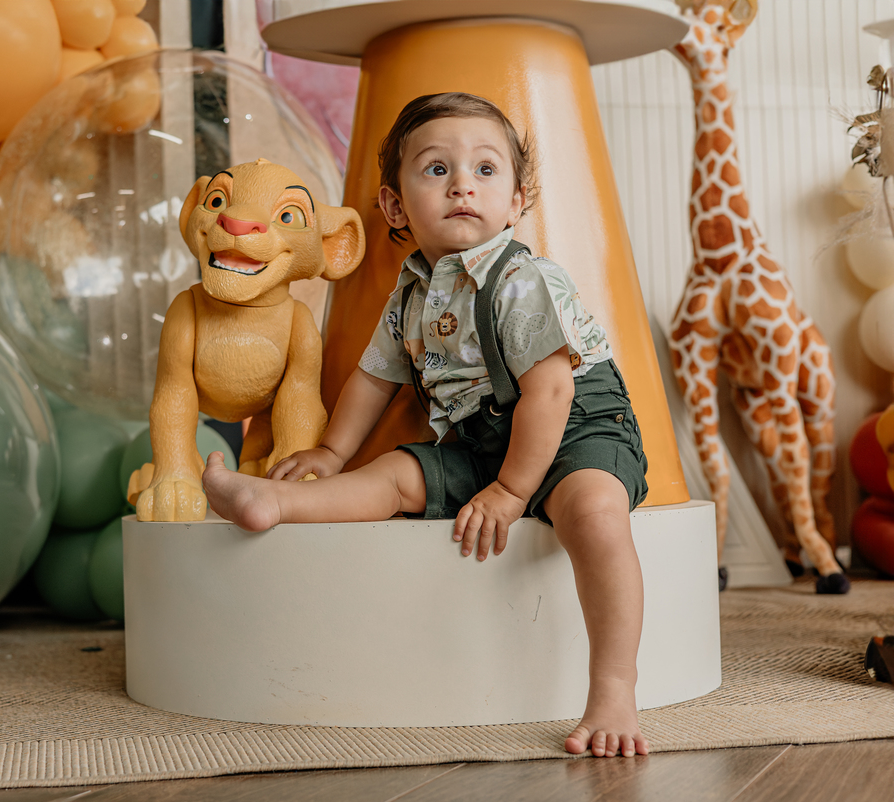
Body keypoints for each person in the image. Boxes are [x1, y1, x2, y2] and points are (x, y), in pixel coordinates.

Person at [202, 92, 650, 758]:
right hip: (481, 440)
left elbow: (552, 389)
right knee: (394, 474)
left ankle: (614, 689)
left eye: (485, 170)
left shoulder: (522, 279)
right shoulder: (412, 293)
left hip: (576, 426)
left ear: (517, 201)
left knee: (594, 514)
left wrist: (511, 491)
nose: (462, 184)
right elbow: (374, 378)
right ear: (394, 205)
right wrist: (332, 450)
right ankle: (273, 501)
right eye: (437, 169)